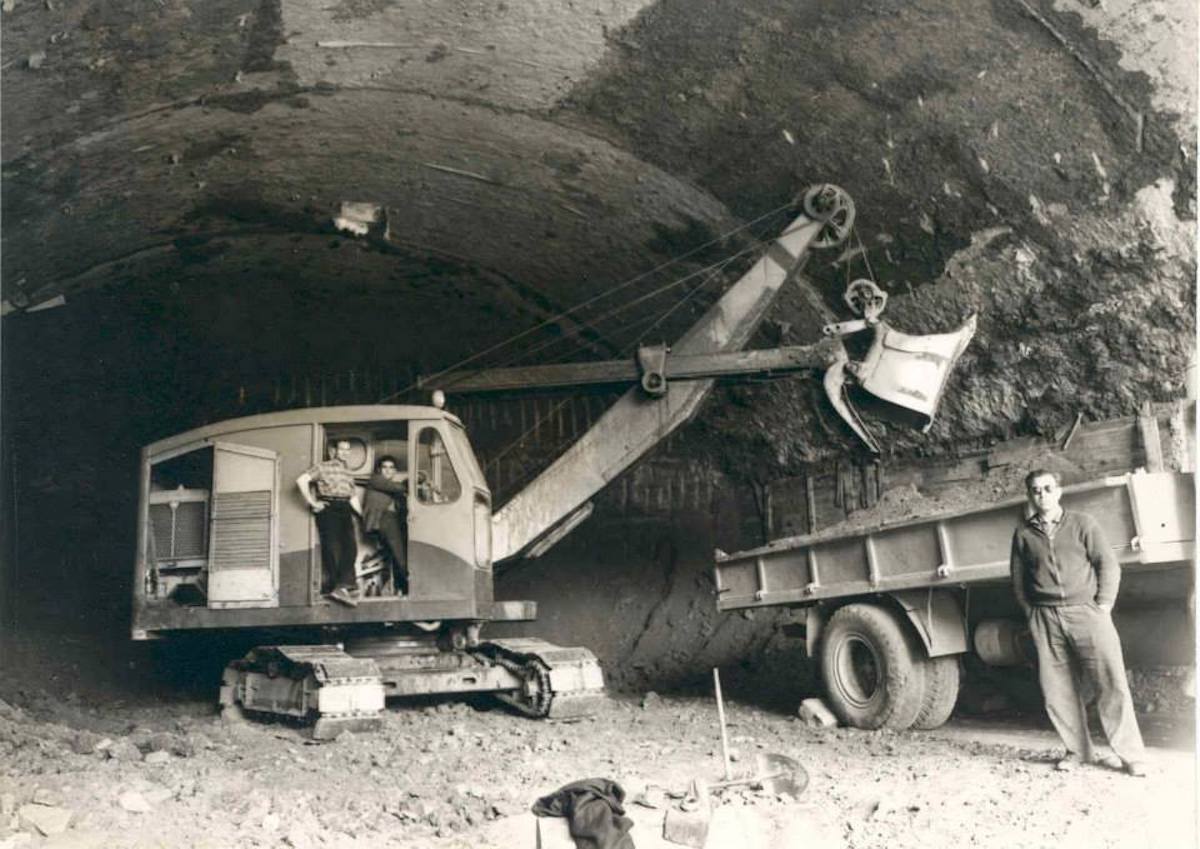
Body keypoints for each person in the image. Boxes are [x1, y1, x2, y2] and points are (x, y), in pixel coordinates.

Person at [1010, 469, 1146, 776]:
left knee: (1110, 681)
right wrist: (1031, 613)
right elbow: (1018, 581)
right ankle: (1078, 751)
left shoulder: (1083, 524)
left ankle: (1130, 755)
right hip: (1045, 617)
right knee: (1057, 688)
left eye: (1047, 488)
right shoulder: (1024, 534)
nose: (1041, 494)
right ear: (1029, 496)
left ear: (1059, 492)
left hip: (1086, 612)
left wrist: (1104, 605)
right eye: (1035, 490)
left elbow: (1108, 565)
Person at [296, 439, 361, 607]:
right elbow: (301, 480)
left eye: (348, 449)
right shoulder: (323, 466)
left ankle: (343, 586)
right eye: (342, 449)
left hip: (345, 507)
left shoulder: (348, 471)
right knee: (332, 547)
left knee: (351, 547)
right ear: (334, 451)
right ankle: (336, 587)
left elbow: (352, 496)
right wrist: (313, 503)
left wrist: (361, 516)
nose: (345, 452)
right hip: (329, 507)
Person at [363, 455, 409, 596]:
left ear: (395, 471)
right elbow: (399, 488)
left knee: (399, 555)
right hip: (384, 520)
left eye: (391, 468)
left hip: (392, 520)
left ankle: (400, 587)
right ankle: (407, 585)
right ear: (379, 470)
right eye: (385, 467)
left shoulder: (392, 488)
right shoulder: (376, 480)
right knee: (399, 555)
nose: (388, 470)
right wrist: (412, 481)